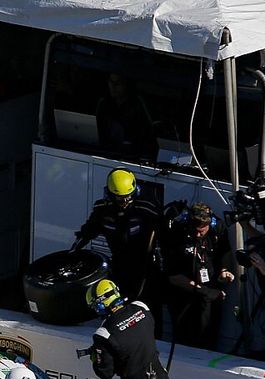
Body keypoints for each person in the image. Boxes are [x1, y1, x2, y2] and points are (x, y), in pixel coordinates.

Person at [73, 168, 165, 319]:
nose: (124, 202)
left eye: (128, 197)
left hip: (146, 267)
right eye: (120, 198)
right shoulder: (102, 210)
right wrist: (74, 250)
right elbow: (87, 232)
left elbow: (163, 234)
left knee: (149, 306)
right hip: (120, 265)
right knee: (118, 306)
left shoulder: (146, 209)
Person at [162, 203, 234, 349]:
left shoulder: (217, 229)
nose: (198, 235)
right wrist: (202, 290)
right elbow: (172, 273)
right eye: (195, 230)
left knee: (208, 335)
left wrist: (224, 270)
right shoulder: (178, 230)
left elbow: (225, 252)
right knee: (184, 335)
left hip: (209, 289)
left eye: (202, 231)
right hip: (183, 291)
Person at [95, 72, 156, 158]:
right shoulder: (104, 104)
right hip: (106, 153)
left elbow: (147, 137)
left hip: (131, 156)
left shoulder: (138, 105)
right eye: (111, 82)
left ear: (126, 84)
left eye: (118, 83)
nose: (113, 86)